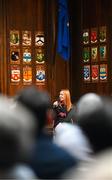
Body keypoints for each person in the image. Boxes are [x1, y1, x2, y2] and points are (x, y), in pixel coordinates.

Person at [15, 86, 78, 179]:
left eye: (62, 94)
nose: (60, 96)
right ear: (49, 119)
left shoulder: (10, 160)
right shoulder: (67, 160)